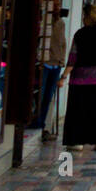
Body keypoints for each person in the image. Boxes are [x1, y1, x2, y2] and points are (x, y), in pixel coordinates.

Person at [59, 4, 96, 152]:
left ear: (88, 17)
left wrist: (63, 77)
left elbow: (73, 58)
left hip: (80, 79)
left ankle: (77, 141)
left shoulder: (80, 34)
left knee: (77, 110)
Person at [29, 7, 68, 139]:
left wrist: (62, 60)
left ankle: (42, 122)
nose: (57, 9)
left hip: (55, 63)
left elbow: (63, 43)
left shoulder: (61, 23)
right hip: (45, 62)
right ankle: (36, 119)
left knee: (48, 96)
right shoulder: (45, 21)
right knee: (40, 93)